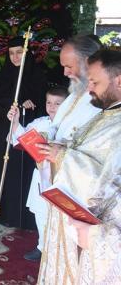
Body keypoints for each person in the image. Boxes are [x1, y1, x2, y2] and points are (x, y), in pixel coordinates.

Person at [38, 49, 121, 283]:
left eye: (94, 81)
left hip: (97, 236)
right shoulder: (106, 114)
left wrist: (63, 156)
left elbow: (109, 185)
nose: (89, 88)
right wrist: (57, 149)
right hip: (72, 220)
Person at [23, 35, 101, 262]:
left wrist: (62, 152)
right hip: (57, 184)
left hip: (78, 193)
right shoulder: (74, 95)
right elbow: (57, 128)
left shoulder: (103, 101)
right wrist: (43, 139)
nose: (65, 73)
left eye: (69, 66)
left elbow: (102, 154)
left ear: (88, 62)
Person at [0, 36, 47, 229]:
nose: (15, 57)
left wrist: (28, 104)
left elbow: (41, 103)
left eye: (19, 52)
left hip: (25, 128)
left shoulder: (37, 75)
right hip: (4, 128)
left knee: (20, 170)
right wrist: (11, 105)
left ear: (26, 54)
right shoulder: (4, 74)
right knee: (1, 169)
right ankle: (1, 211)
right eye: (11, 53)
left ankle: (19, 214)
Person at [7, 86, 68, 259]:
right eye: (49, 102)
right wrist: (16, 122)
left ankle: (60, 250)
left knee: (58, 215)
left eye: (58, 103)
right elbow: (20, 139)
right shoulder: (40, 123)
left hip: (60, 178)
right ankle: (42, 247)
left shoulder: (72, 126)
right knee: (41, 212)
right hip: (40, 175)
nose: (52, 106)